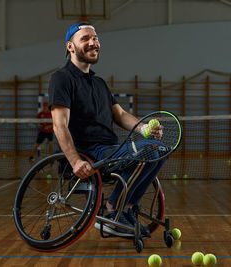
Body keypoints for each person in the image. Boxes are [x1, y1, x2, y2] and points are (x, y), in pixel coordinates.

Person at [48, 22, 166, 237]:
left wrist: (145, 129)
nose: (93, 42)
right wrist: (75, 161)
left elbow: (120, 115)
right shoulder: (61, 79)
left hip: (108, 150)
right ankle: (113, 211)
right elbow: (59, 125)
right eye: (85, 39)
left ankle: (127, 208)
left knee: (159, 149)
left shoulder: (100, 83)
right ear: (70, 47)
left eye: (95, 38)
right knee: (150, 149)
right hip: (88, 154)